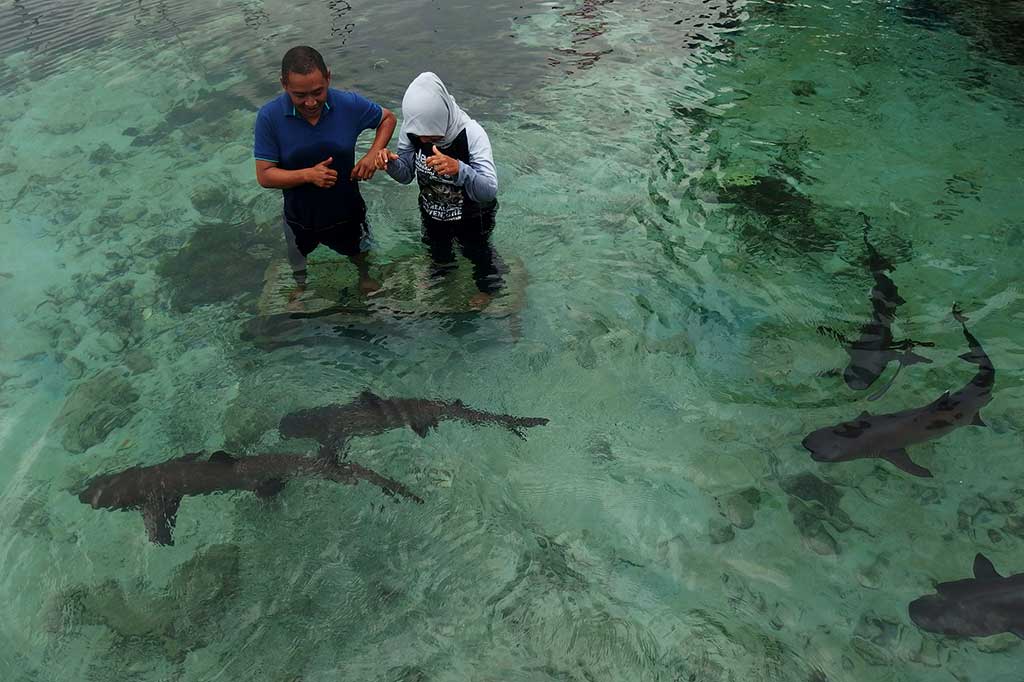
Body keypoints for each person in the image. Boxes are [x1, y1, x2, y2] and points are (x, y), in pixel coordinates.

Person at [254, 46, 396, 295]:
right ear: (283, 84)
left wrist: (373, 153)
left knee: (360, 253)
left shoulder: (347, 104)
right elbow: (265, 175)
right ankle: (300, 287)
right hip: (300, 216)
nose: (310, 102)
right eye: (299, 95)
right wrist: (307, 175)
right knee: (298, 259)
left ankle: (364, 277)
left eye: (318, 92)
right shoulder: (269, 117)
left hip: (347, 210)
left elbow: (387, 118)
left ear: (328, 77)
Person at [379, 72, 504, 308]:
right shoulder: (413, 130)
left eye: (433, 133)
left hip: (473, 215)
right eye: (421, 134)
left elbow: (489, 190)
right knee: (437, 248)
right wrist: (389, 164)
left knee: (478, 252)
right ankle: (443, 272)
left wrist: (459, 170)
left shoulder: (472, 134)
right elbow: (406, 174)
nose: (426, 139)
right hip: (433, 211)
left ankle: (489, 288)